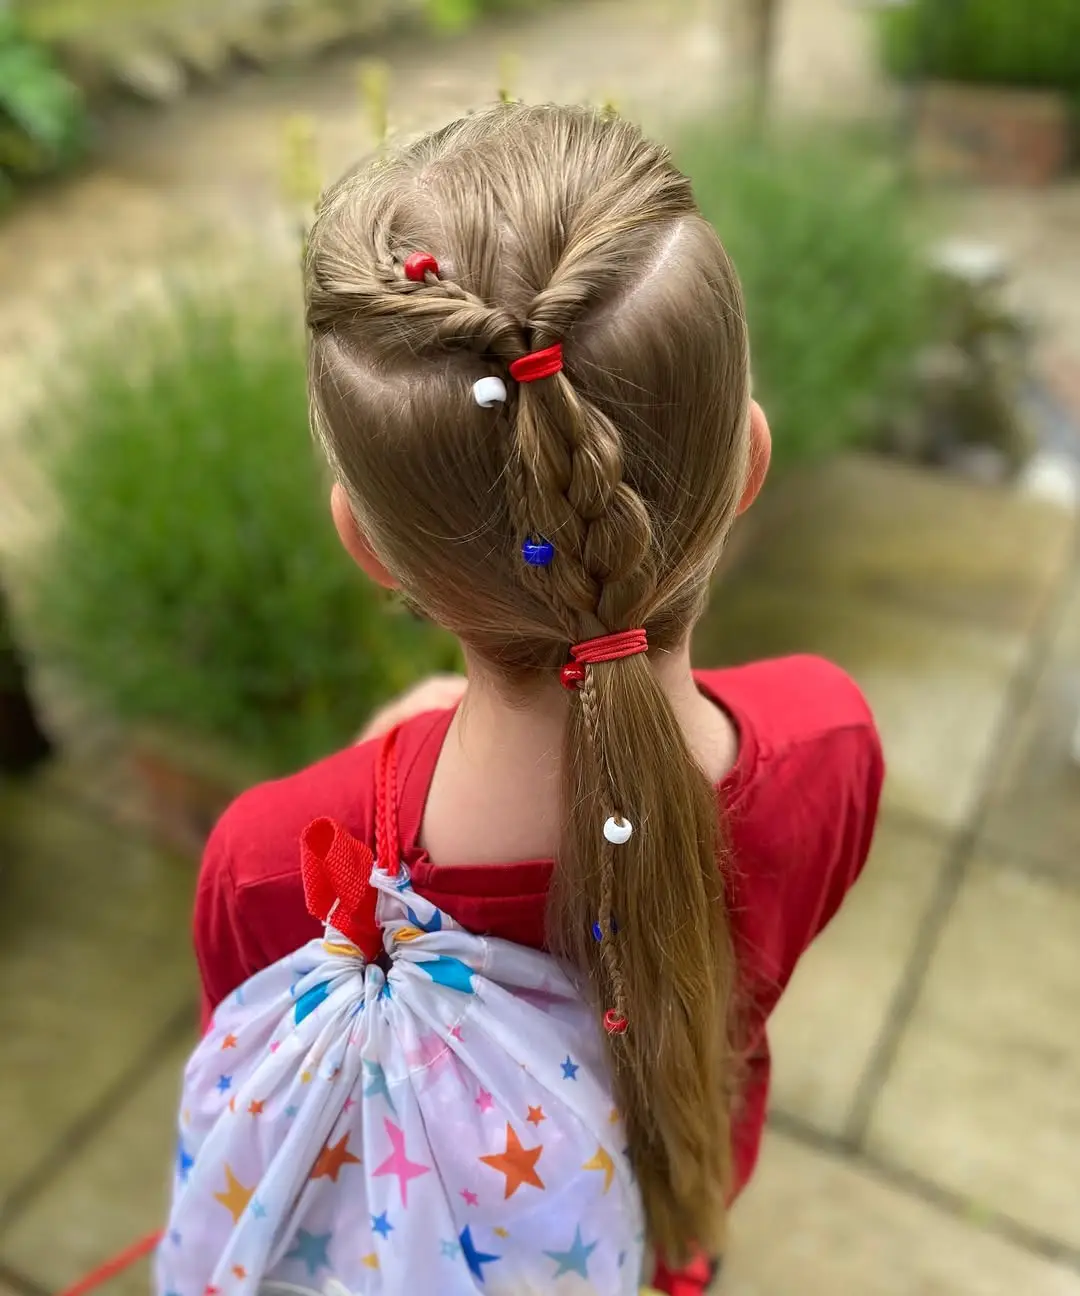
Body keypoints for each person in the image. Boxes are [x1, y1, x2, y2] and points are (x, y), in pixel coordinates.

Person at [182, 102, 883, 1295]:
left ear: (370, 546)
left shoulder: (271, 863)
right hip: (659, 1246)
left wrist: (374, 776)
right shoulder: (832, 742)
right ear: (748, 464)